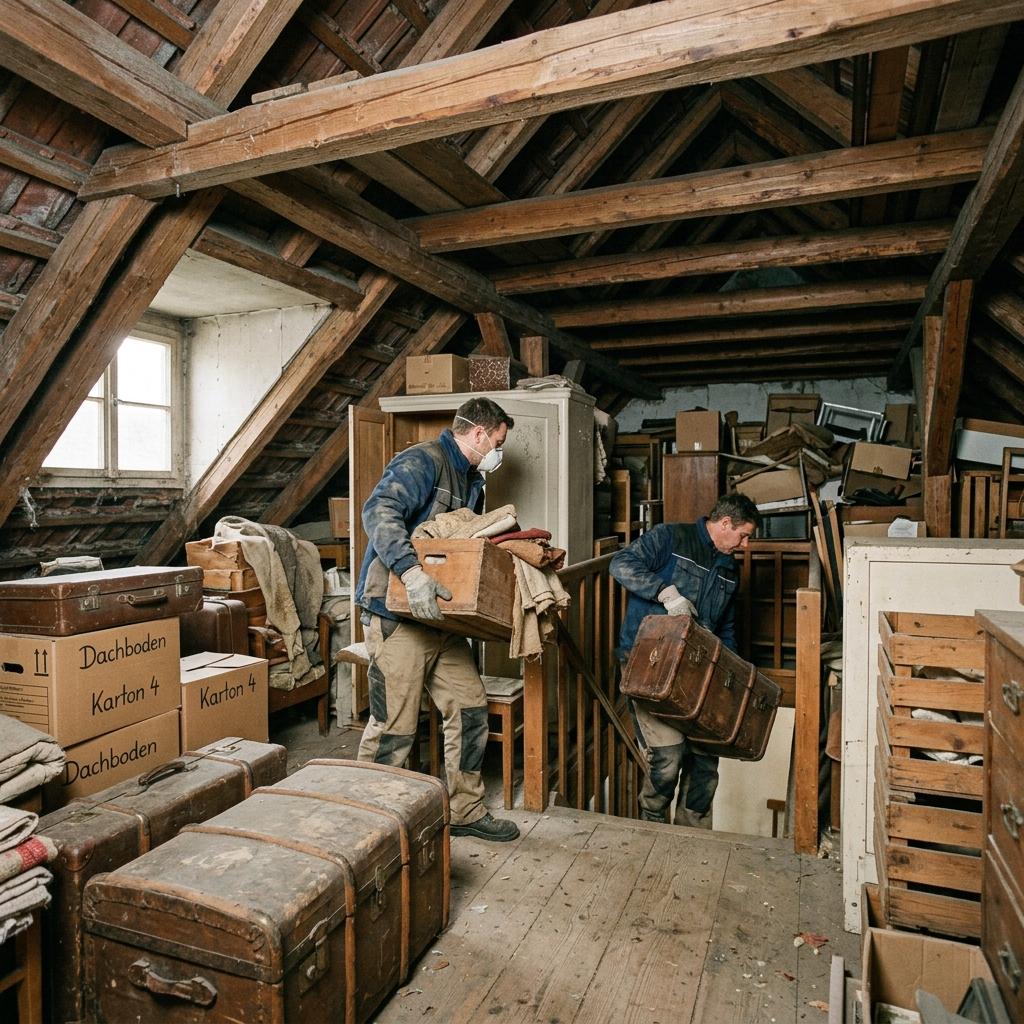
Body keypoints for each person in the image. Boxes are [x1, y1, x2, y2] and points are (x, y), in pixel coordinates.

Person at [354, 397, 521, 842]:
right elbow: (378, 511)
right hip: (397, 612)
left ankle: (465, 810)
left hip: (441, 619)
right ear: (480, 433)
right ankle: (366, 825)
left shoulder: (472, 481)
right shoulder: (422, 460)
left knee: (470, 707)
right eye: (497, 441)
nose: (498, 451)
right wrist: (411, 573)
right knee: (395, 726)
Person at [609, 493, 760, 828]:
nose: (745, 545)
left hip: (696, 673)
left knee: (706, 759)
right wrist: (666, 593)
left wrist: (731, 675)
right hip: (648, 663)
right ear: (724, 524)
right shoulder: (670, 537)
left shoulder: (729, 571)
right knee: (668, 755)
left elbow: (727, 628)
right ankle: (653, 826)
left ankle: (693, 835)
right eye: (743, 535)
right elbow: (620, 564)